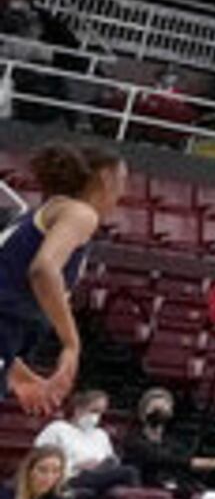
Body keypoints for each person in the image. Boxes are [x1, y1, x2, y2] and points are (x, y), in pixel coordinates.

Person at [3, 146, 124, 417]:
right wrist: (71, 343)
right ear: (105, 179)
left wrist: (17, 375)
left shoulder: (45, 211)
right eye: (122, 182)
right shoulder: (80, 213)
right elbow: (44, 270)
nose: (122, 194)